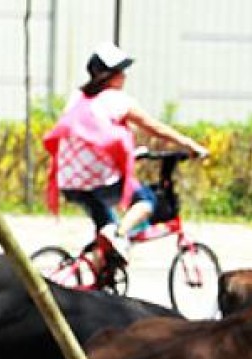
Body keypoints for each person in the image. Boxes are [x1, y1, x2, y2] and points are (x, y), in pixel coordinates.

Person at [43, 42, 208, 274]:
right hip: (98, 182)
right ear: (110, 76)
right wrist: (191, 145)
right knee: (145, 200)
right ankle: (119, 237)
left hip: (69, 182)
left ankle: (99, 277)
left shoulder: (77, 98)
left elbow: (89, 136)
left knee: (104, 228)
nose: (125, 76)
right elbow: (155, 128)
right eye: (121, 70)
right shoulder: (118, 100)